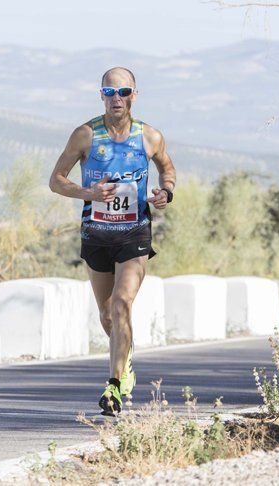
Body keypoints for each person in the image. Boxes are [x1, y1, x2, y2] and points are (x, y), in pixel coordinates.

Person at [49, 67, 176, 416]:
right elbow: (56, 180)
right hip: (97, 234)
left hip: (134, 233)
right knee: (107, 314)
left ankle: (115, 386)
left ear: (135, 94)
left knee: (122, 302)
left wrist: (166, 192)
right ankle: (126, 358)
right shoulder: (86, 135)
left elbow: (168, 169)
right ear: (101, 96)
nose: (116, 98)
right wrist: (89, 192)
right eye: (109, 92)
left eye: (123, 91)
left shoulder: (150, 137)